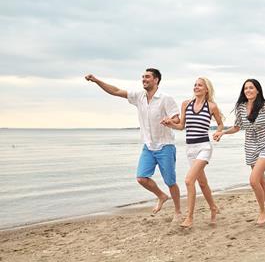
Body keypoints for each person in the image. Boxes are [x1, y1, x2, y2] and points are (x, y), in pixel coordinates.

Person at [85, 68, 182, 221]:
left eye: (147, 77)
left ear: (156, 80)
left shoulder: (165, 98)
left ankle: (177, 212)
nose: (144, 79)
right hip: (148, 146)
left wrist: (170, 121)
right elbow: (115, 91)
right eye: (143, 77)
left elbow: (177, 119)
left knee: (170, 181)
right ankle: (161, 196)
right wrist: (97, 81)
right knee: (141, 178)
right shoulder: (139, 96)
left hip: (165, 146)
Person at [213, 79, 265, 225]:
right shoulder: (240, 107)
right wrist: (223, 133)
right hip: (250, 147)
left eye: (251, 88)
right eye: (246, 88)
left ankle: (262, 211)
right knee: (262, 182)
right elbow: (237, 127)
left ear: (257, 90)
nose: (248, 90)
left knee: (253, 180)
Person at [162, 77, 224, 228]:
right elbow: (182, 125)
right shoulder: (186, 104)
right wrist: (170, 124)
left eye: (200, 85)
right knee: (202, 183)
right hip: (190, 149)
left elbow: (220, 124)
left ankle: (189, 217)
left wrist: (218, 132)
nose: (196, 87)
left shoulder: (211, 106)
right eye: (195, 85)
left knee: (189, 180)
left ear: (206, 89)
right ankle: (214, 208)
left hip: (204, 147)